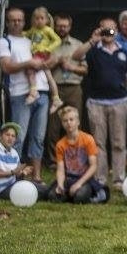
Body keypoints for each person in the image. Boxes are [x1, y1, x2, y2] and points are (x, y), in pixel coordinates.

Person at [72, 17, 127, 189]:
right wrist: (92, 40)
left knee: (119, 142)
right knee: (98, 143)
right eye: (105, 30)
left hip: (120, 101)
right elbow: (76, 56)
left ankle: (119, 179)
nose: (108, 33)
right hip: (96, 102)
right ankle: (100, 178)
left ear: (117, 32)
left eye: (111, 30)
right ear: (99, 30)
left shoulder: (124, 52)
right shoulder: (92, 50)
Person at [0, 7, 50, 178]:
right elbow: (7, 67)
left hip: (42, 90)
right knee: (18, 137)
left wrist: (44, 62)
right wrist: (29, 63)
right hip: (20, 93)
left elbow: (48, 57)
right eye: (13, 20)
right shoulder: (4, 41)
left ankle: (37, 176)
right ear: (7, 22)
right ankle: (14, 174)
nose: (16, 23)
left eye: (20, 20)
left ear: (25, 21)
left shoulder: (31, 38)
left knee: (38, 138)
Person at [44, 14, 88, 164]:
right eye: (59, 26)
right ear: (55, 26)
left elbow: (85, 70)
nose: (62, 28)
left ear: (70, 27)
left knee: (75, 124)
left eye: (65, 26)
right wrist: (55, 62)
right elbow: (42, 67)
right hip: (55, 88)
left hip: (74, 88)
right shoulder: (48, 44)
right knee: (53, 126)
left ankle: (75, 157)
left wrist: (71, 67)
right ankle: (53, 160)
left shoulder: (78, 45)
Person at [48, 106, 105, 204]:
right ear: (62, 124)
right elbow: (60, 169)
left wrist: (79, 184)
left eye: (71, 119)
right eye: (65, 121)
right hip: (69, 178)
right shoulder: (60, 144)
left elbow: (93, 166)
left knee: (80, 197)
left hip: (84, 179)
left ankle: (78, 194)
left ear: (78, 122)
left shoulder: (88, 139)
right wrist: (60, 185)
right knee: (52, 196)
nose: (69, 123)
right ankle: (68, 194)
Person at [22, 6, 64, 114]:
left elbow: (57, 40)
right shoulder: (33, 30)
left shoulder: (48, 30)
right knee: (49, 76)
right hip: (35, 54)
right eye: (36, 18)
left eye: (41, 18)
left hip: (42, 54)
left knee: (30, 71)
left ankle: (33, 91)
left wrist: (48, 49)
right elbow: (26, 34)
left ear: (47, 20)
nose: (39, 21)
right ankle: (56, 98)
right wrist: (20, 34)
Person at [0, 122, 34, 199]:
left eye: (13, 136)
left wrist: (23, 173)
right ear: (0, 137)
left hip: (12, 185)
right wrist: (11, 172)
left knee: (37, 187)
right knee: (35, 191)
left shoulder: (14, 153)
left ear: (15, 139)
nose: (10, 138)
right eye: (7, 135)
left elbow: (16, 175)